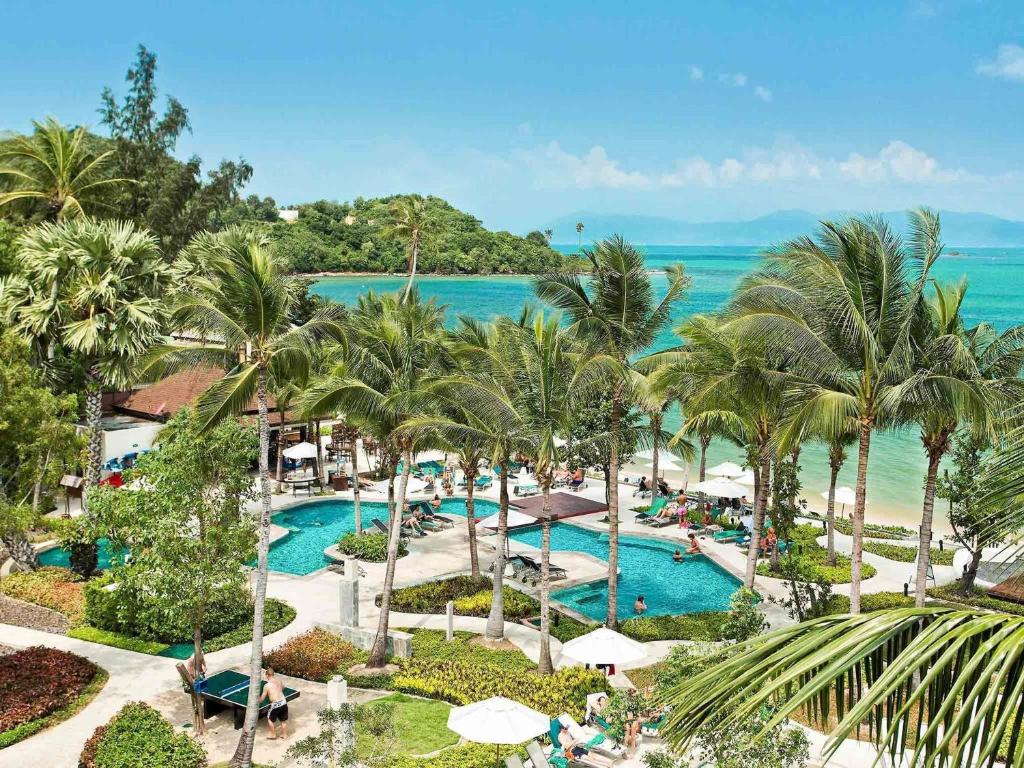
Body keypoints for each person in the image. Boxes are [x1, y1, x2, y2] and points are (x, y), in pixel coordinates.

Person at [260, 667, 288, 740]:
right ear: (273, 674)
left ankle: (273, 734)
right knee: (283, 721)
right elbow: (283, 688)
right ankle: (285, 735)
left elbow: (262, 699)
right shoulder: (279, 681)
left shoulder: (266, 686)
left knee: (270, 719)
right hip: (283, 702)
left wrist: (257, 700)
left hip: (275, 705)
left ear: (267, 675)